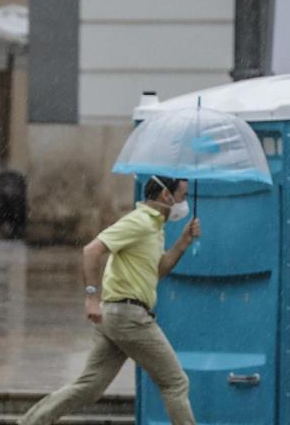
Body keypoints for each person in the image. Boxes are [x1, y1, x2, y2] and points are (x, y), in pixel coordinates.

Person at [19, 176, 201, 425]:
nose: (185, 203)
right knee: (176, 382)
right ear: (165, 196)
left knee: (89, 387)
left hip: (116, 316)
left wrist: (183, 242)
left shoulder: (155, 228)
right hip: (129, 316)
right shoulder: (138, 222)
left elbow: (156, 271)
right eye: (182, 196)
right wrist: (91, 297)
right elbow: (92, 250)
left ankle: (30, 422)